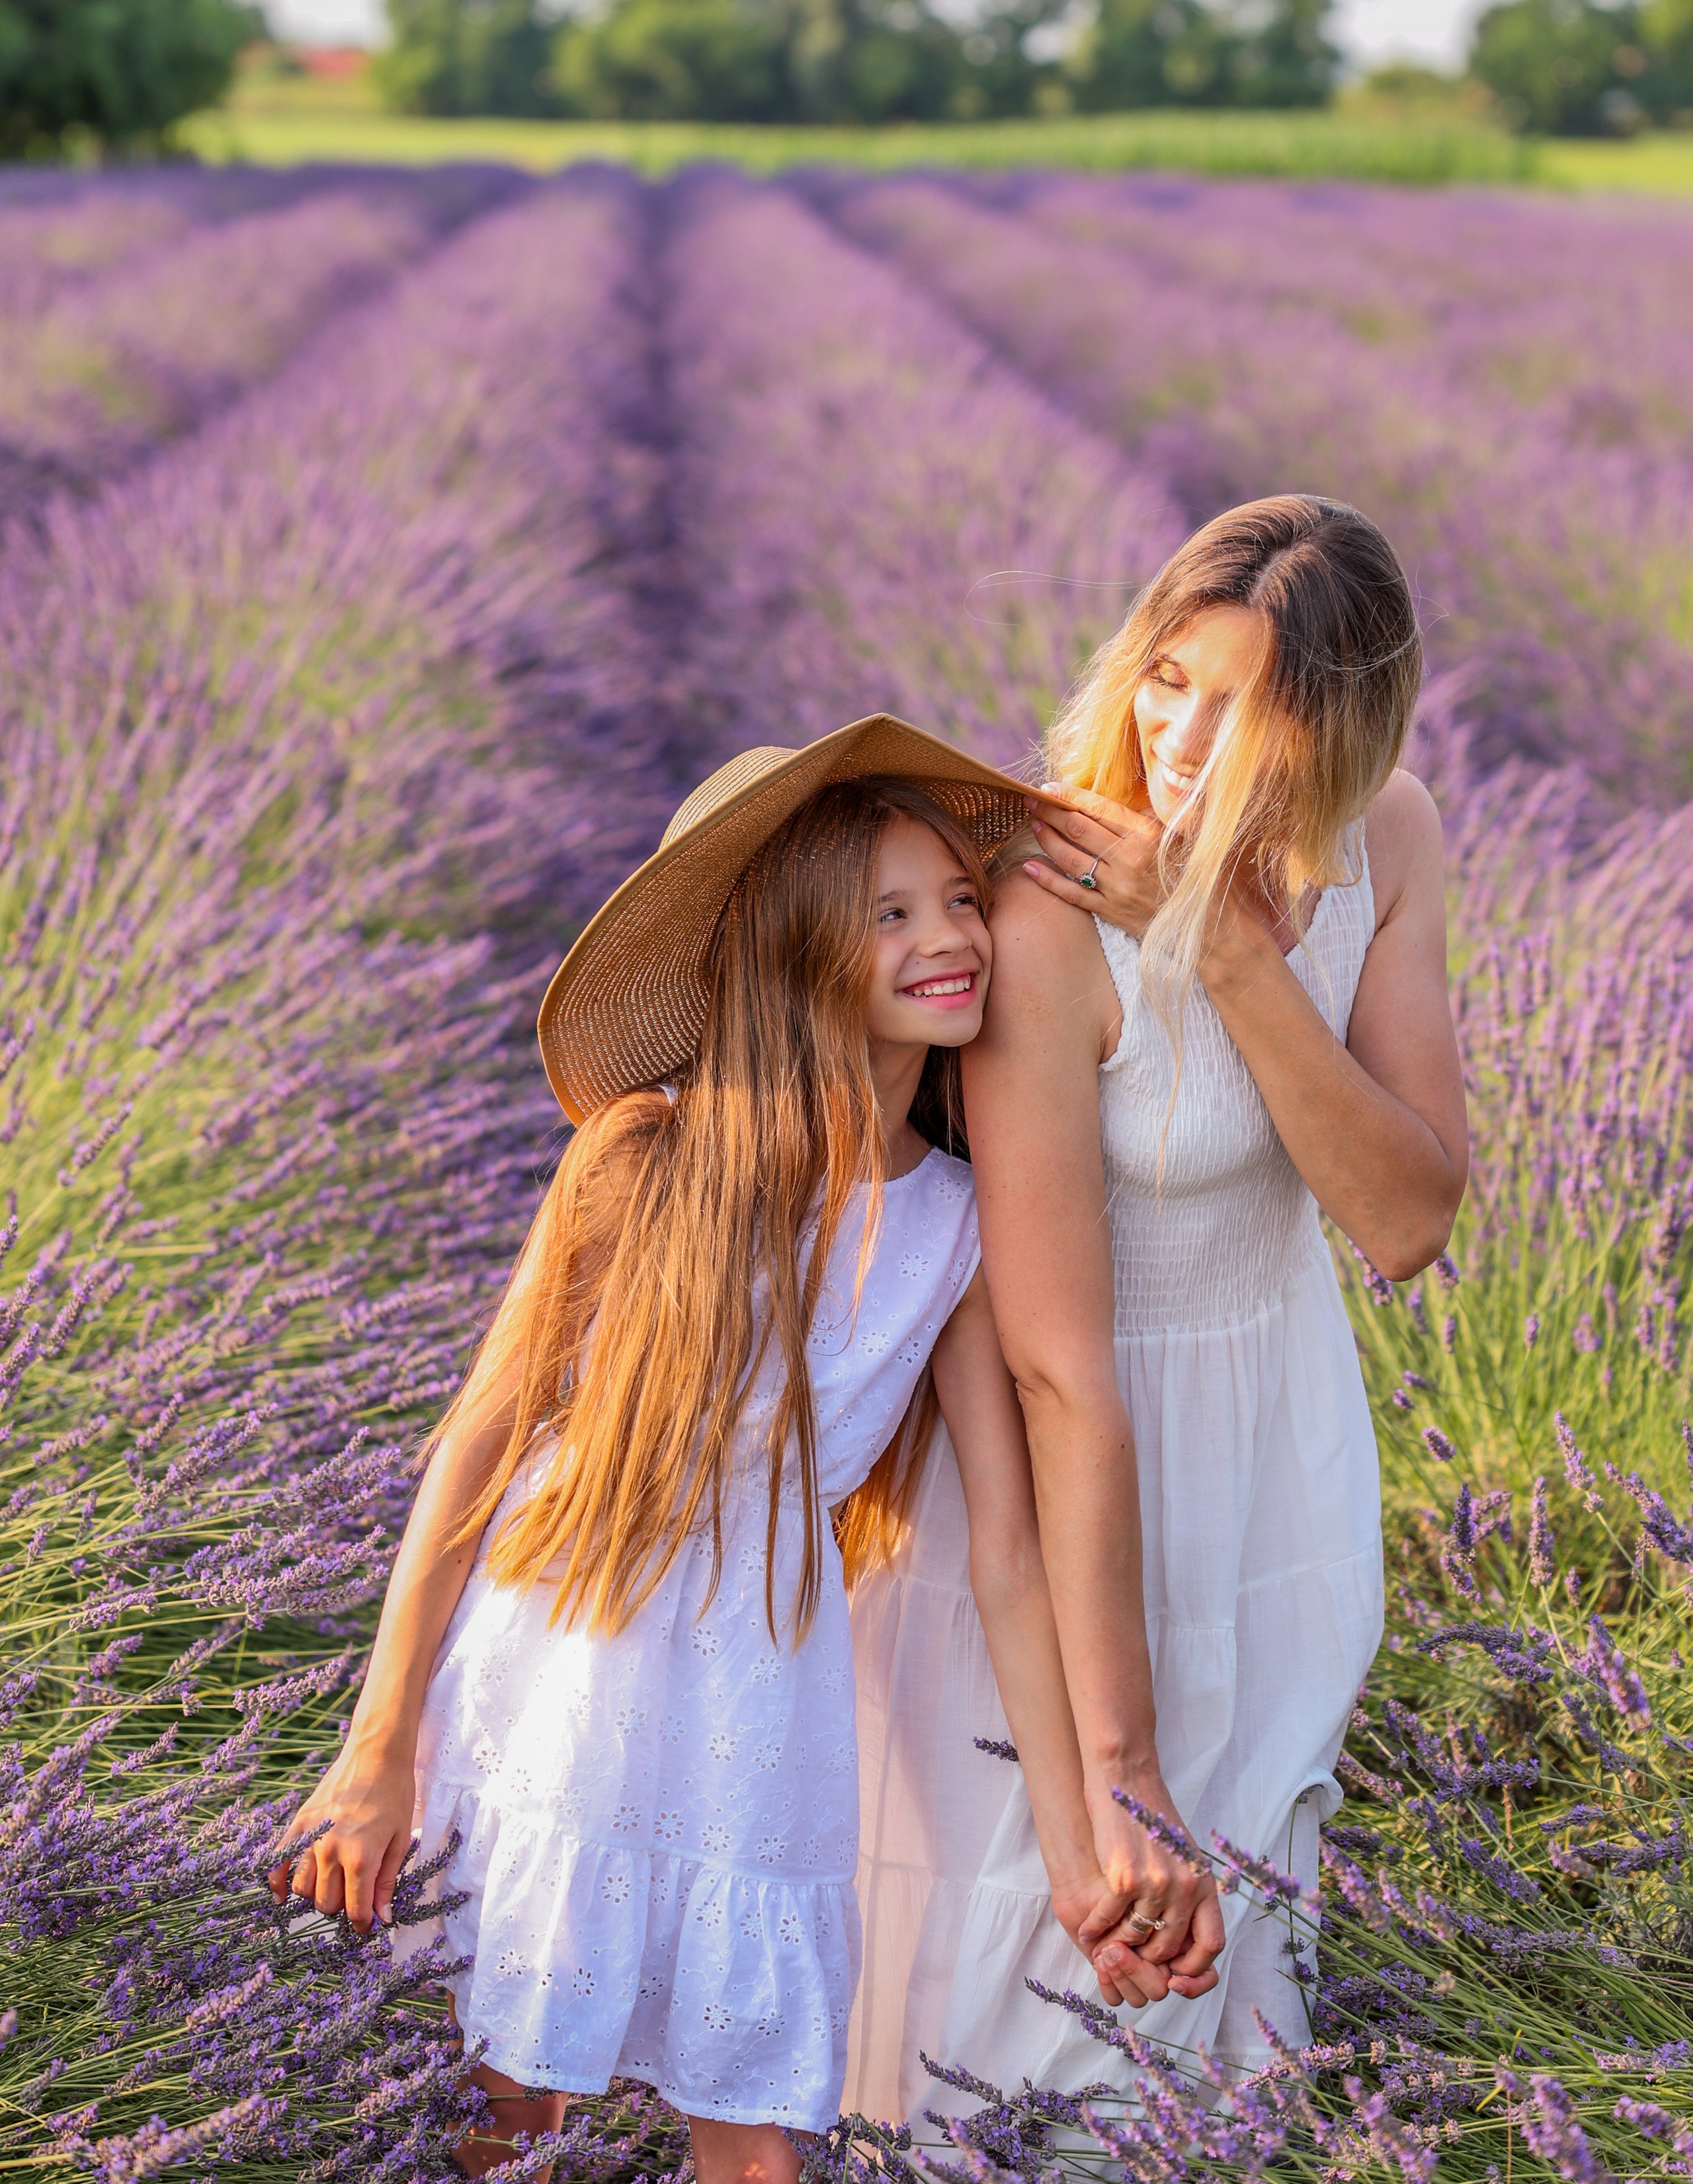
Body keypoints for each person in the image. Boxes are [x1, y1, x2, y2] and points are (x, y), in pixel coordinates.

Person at [270, 717, 1148, 2184]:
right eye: (889, 913)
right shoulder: (644, 1155)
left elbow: (1004, 1555)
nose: (950, 938)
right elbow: (476, 1453)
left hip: (765, 1699)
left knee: (761, 2122)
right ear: (801, 946)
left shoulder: (952, 1219)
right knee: (501, 2114)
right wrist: (376, 1754)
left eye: (956, 900)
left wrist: (1077, 1850)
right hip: (569, 1665)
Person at [846, 499, 1469, 2118]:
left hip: (1275, 1456)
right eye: (1165, 677)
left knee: (1238, 1981)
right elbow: (1054, 1378)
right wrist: (1118, 1767)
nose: (1180, 738)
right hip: (1072, 1494)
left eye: (1242, 701)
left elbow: (1402, 1217)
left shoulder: (1384, 841)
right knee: (1048, 2013)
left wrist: (1230, 955)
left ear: (1336, 730)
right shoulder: (1047, 909)